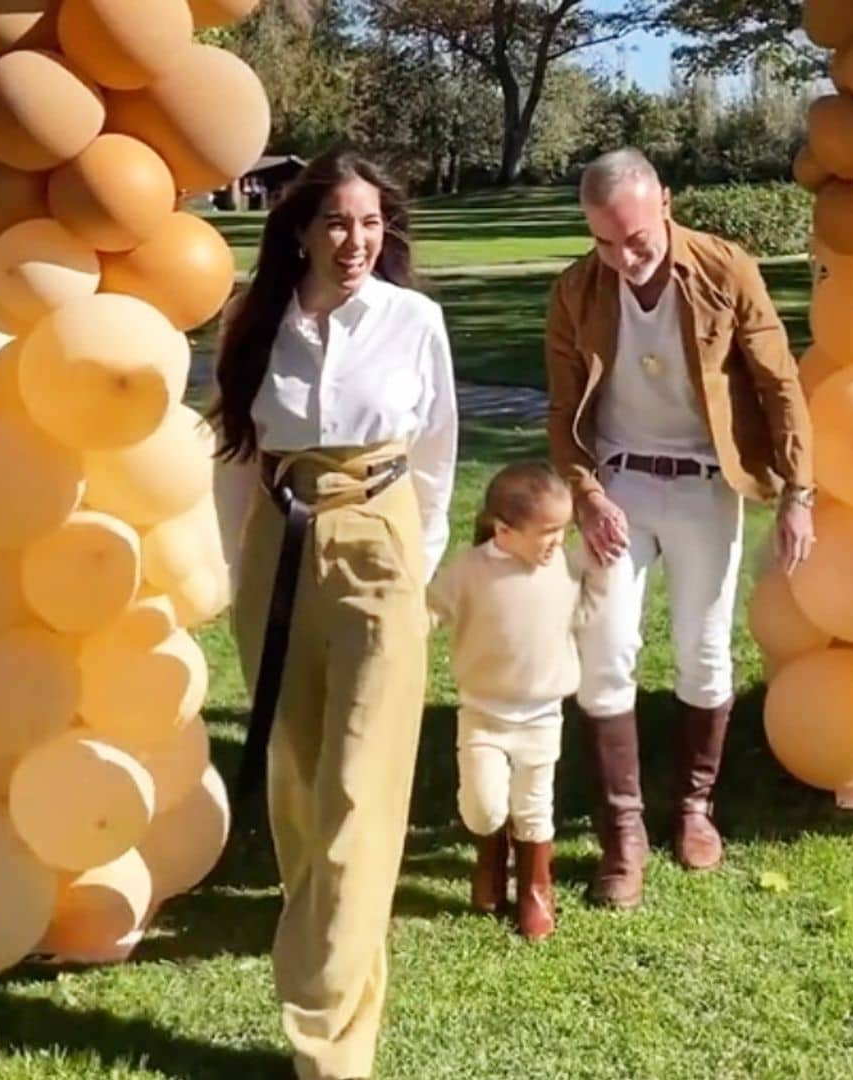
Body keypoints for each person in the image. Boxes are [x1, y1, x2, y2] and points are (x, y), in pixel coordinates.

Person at [210, 146, 457, 1080]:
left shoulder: (414, 320)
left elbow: (437, 455)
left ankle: (322, 1029)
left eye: (369, 223)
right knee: (299, 784)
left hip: (378, 546)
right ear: (301, 231)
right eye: (336, 223)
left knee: (362, 790)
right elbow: (235, 452)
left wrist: (413, 567)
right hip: (276, 553)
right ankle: (334, 986)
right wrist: (242, 564)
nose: (355, 241)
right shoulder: (255, 318)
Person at [545, 148, 814, 910]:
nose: (623, 259)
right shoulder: (575, 291)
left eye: (635, 239)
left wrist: (800, 488)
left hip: (706, 485)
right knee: (604, 650)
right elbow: (563, 413)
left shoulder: (726, 269)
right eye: (603, 242)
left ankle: (695, 809)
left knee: (704, 648)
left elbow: (777, 382)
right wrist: (588, 496)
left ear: (664, 202)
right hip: (619, 482)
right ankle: (622, 835)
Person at [427, 463, 606, 941]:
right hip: (483, 714)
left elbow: (585, 611)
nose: (557, 541)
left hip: (543, 715)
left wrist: (603, 574)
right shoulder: (470, 570)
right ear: (504, 530)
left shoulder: (566, 568)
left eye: (563, 531)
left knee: (535, 806)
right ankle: (491, 854)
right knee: (484, 807)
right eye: (547, 532)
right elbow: (432, 608)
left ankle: (534, 888)